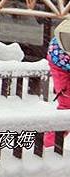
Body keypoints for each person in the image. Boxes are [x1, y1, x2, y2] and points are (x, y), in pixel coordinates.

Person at [45, 17, 70, 147]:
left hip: (61, 56)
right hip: (59, 61)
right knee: (66, 106)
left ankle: (49, 144)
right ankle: (48, 145)